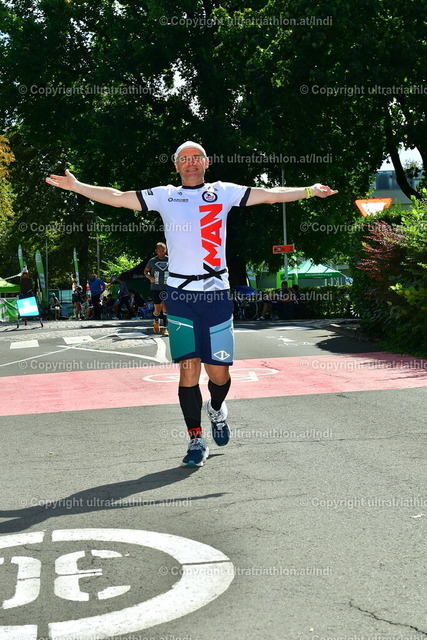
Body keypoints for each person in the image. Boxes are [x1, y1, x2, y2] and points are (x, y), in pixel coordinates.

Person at [46, 141, 338, 467]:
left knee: (219, 373)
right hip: (181, 295)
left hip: (216, 294)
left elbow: (270, 194)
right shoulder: (165, 195)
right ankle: (196, 439)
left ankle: (216, 408)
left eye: (196, 157)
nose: (191, 162)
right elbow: (117, 197)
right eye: (184, 158)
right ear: (176, 165)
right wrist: (78, 187)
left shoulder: (223, 192)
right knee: (188, 369)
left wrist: (310, 191)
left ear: (207, 162)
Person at [144, 242, 169, 336]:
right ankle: (156, 320)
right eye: (159, 251)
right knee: (157, 309)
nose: (161, 252)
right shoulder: (152, 261)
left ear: (166, 250)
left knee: (165, 307)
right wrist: (150, 277)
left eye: (163, 250)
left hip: (167, 287)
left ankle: (165, 329)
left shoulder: (170, 260)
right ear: (156, 251)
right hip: (156, 287)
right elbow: (146, 271)